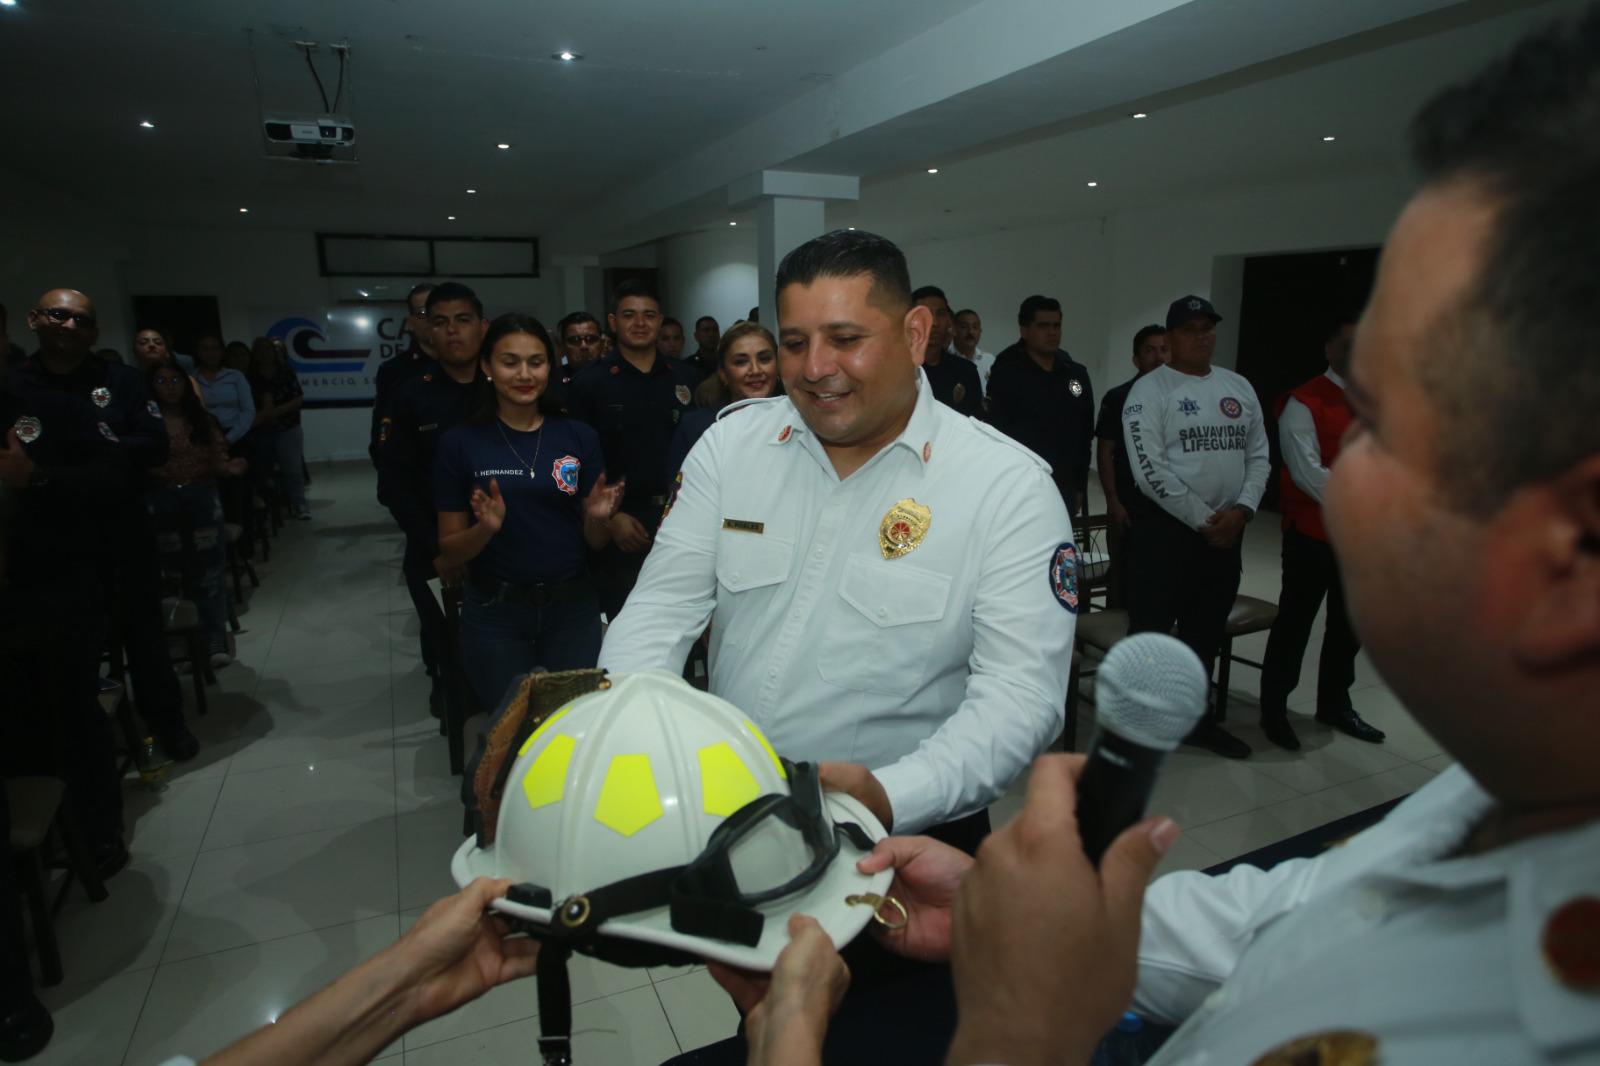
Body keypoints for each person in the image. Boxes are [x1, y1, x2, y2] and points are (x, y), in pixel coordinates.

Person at [724, 14, 1600, 1063]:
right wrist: (1022, 923)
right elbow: (1297, 915)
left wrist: (1014, 1037)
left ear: (1570, 557)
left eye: (1370, 416)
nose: (1329, 453)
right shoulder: (1502, 794)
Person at [601, 230, 1075, 847]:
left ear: (913, 334)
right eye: (794, 343)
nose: (815, 369)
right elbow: (661, 610)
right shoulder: (732, 445)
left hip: (902, 836)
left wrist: (889, 796)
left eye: (846, 340)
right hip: (727, 811)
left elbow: (1019, 698)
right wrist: (626, 736)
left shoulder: (1007, 488)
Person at [10, 288, 200, 763]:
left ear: (94, 331)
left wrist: (48, 474)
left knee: (145, 639)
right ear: (35, 320)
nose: (69, 326)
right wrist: (101, 459)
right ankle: (84, 753)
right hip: (49, 541)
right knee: (70, 657)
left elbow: (151, 447)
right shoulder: (12, 387)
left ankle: (166, 724)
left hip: (122, 533)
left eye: (82, 320)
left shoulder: (123, 381)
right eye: (59, 315)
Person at [432, 313, 621, 710]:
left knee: (574, 724)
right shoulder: (460, 443)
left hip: (572, 608)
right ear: (487, 367)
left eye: (536, 362)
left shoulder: (577, 436)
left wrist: (600, 516)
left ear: (550, 367)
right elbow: (448, 552)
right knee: (511, 730)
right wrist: (485, 528)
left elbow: (595, 540)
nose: (524, 374)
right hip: (496, 613)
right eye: (510, 362)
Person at [1120, 295, 1267, 759]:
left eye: (1208, 327)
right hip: (1167, 536)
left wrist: (1241, 512)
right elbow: (1150, 472)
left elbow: (1258, 456)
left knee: (1204, 633)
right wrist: (1208, 521)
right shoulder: (1148, 392)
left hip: (1226, 535)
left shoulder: (1238, 386)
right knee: (1153, 633)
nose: (1202, 336)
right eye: (1190, 329)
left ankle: (1196, 720)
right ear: (1170, 339)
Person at [1256, 315, 1386, 751]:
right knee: (1295, 623)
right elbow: (1308, 472)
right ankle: (1273, 708)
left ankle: (1335, 703)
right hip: (1313, 534)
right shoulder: (1304, 401)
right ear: (1329, 349)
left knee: (1347, 627)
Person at [376, 281, 486, 720]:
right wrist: (440, 548)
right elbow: (394, 485)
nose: (453, 332)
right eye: (440, 322)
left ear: (482, 326)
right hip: (434, 552)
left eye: (463, 320)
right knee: (450, 650)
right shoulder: (409, 393)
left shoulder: (506, 388)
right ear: (425, 328)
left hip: (503, 546)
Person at [564, 279, 699, 619]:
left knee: (679, 624)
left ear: (660, 320)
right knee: (626, 626)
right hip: (621, 526)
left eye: (649, 315)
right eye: (629, 315)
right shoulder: (589, 384)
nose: (640, 323)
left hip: (683, 519)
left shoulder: (687, 379)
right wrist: (611, 519)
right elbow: (575, 463)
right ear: (612, 321)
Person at [147, 359, 248, 665]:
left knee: (209, 572)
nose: (170, 387)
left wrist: (232, 468)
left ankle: (214, 637)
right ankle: (184, 638)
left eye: (175, 381)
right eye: (161, 382)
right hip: (162, 499)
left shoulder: (201, 420)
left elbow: (218, 460)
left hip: (201, 498)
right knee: (173, 573)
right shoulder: (144, 423)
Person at [987, 295, 1096, 515]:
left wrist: (1079, 485)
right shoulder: (1007, 372)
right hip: (1022, 484)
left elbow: (1084, 432)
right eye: (1043, 326)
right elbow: (998, 435)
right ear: (1024, 331)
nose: (1052, 332)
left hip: (1065, 482)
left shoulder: (1074, 373)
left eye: (1056, 326)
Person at [1094, 324, 1168, 607]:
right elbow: (1105, 451)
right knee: (1125, 578)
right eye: (1150, 350)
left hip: (1172, 505)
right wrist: (1113, 499)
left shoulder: (1182, 395)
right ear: (1136, 359)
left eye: (1164, 349)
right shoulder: (1119, 397)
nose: (1159, 357)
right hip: (1131, 501)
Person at [671, 320, 780, 476]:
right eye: (741, 362)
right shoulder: (695, 428)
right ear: (723, 373)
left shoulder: (799, 422)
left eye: (764, 359)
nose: (755, 370)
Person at [370, 282, 436, 464]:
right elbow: (381, 443)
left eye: (438, 310)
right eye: (423, 313)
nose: (432, 318)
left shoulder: (469, 365)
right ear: (410, 323)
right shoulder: (394, 371)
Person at [247, 336, 311, 520]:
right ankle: (269, 509)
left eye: (268, 349)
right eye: (261, 350)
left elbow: (297, 398)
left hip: (288, 426)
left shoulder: (286, 372)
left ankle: (300, 506)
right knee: (262, 470)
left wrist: (273, 412)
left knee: (292, 469)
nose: (265, 354)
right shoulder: (249, 376)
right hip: (259, 429)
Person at [912, 286, 982, 418]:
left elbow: (976, 423)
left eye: (941, 314)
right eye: (925, 314)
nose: (934, 322)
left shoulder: (966, 371)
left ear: (950, 321)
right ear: (910, 320)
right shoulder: (897, 371)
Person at [192, 335, 255, 449]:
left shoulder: (235, 376)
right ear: (198, 352)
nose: (211, 353)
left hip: (237, 435)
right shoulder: (192, 378)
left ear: (222, 351)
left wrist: (229, 438)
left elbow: (248, 411)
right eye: (205, 349)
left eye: (215, 348)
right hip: (205, 438)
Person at [554, 310, 603, 387]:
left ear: (601, 343)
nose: (584, 346)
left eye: (591, 339)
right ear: (563, 346)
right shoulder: (553, 380)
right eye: (575, 340)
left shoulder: (615, 377)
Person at [950, 308, 994, 394]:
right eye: (964, 327)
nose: (971, 332)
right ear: (953, 330)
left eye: (975, 327)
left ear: (980, 331)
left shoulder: (990, 361)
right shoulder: (946, 357)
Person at [691, 313, 722, 378]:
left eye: (715, 330)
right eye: (706, 330)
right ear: (696, 336)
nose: (711, 334)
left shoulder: (726, 361)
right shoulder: (688, 365)